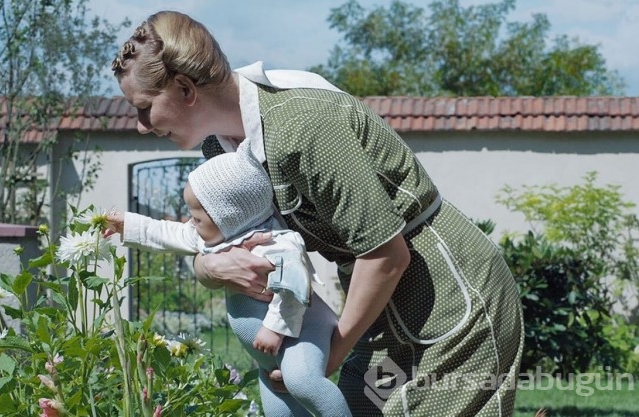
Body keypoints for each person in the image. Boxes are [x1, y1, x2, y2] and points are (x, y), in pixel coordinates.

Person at [110, 10, 524, 416]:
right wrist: (209, 268)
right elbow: (215, 241)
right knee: (361, 406)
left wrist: (324, 360)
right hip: (379, 308)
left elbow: (386, 256)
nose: (142, 125)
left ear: (185, 89)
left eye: (145, 107)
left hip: (448, 297)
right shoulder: (220, 150)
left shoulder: (302, 125)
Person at [106, 139, 352, 416]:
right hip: (269, 355)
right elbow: (170, 233)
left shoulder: (276, 242)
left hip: (300, 332)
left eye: (197, 218)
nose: (191, 223)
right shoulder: (218, 237)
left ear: (229, 217)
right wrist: (126, 224)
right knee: (278, 412)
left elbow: (294, 284)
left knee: (303, 381)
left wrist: (274, 328)